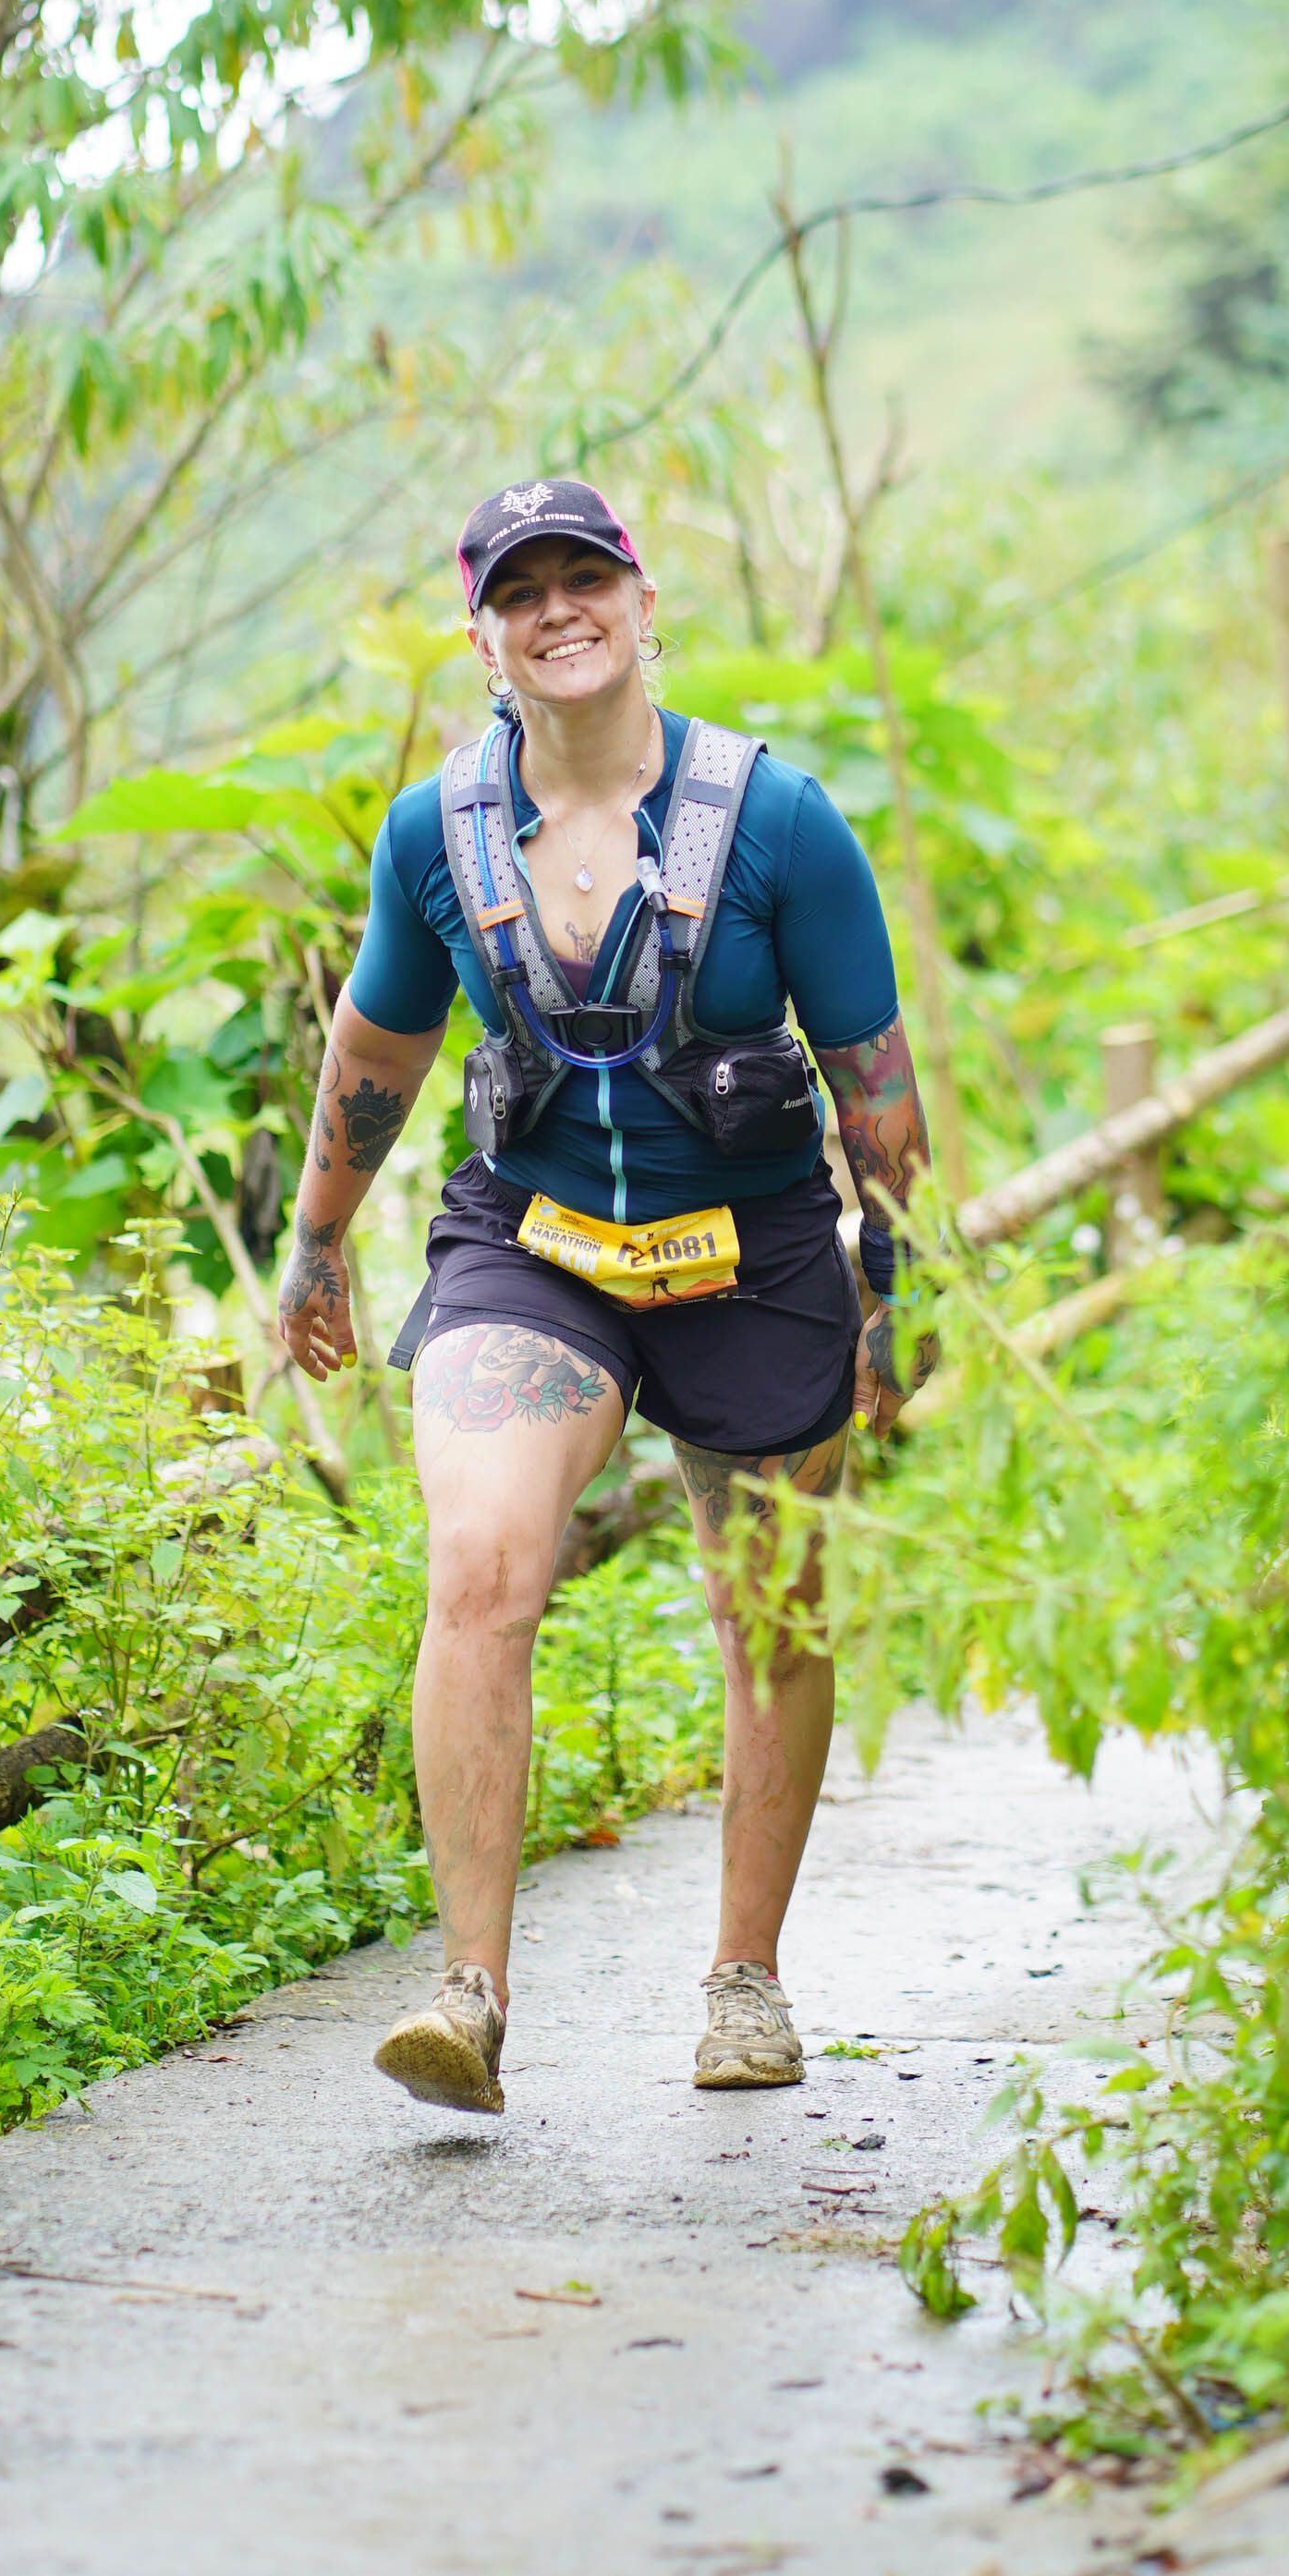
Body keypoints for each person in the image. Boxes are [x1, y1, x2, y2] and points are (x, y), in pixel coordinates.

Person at [274, 477, 937, 2117]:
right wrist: (317, 1241)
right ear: (482, 637)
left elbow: (872, 1075)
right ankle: (469, 1995)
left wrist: (896, 1285)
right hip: (535, 1239)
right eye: (521, 591)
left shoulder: (779, 821)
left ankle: (744, 1984)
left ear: (644, 604)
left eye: (585, 578)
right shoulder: (438, 834)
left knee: (766, 1606)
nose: (557, 610)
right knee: (482, 1559)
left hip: (753, 1247)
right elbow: (378, 1047)